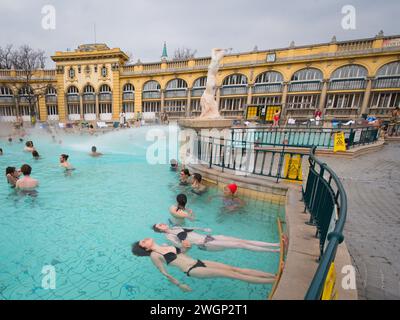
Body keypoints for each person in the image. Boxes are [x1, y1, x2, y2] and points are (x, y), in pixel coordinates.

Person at [131, 238, 276, 292]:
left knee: (234, 269)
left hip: (198, 262)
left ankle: (274, 276)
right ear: (146, 249)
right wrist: (180, 285)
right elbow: (164, 273)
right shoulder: (155, 255)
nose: (144, 240)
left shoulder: (166, 245)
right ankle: (273, 281)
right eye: (143, 243)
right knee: (234, 275)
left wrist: (186, 246)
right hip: (192, 270)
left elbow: (183, 252)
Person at [152, 223, 281, 253]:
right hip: (205, 244)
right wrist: (184, 244)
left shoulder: (175, 227)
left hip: (209, 237)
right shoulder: (169, 236)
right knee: (239, 245)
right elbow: (182, 246)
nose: (163, 224)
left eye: (161, 223)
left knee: (241, 240)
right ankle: (275, 251)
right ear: (160, 230)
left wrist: (202, 229)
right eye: (160, 225)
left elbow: (190, 228)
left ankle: (275, 244)